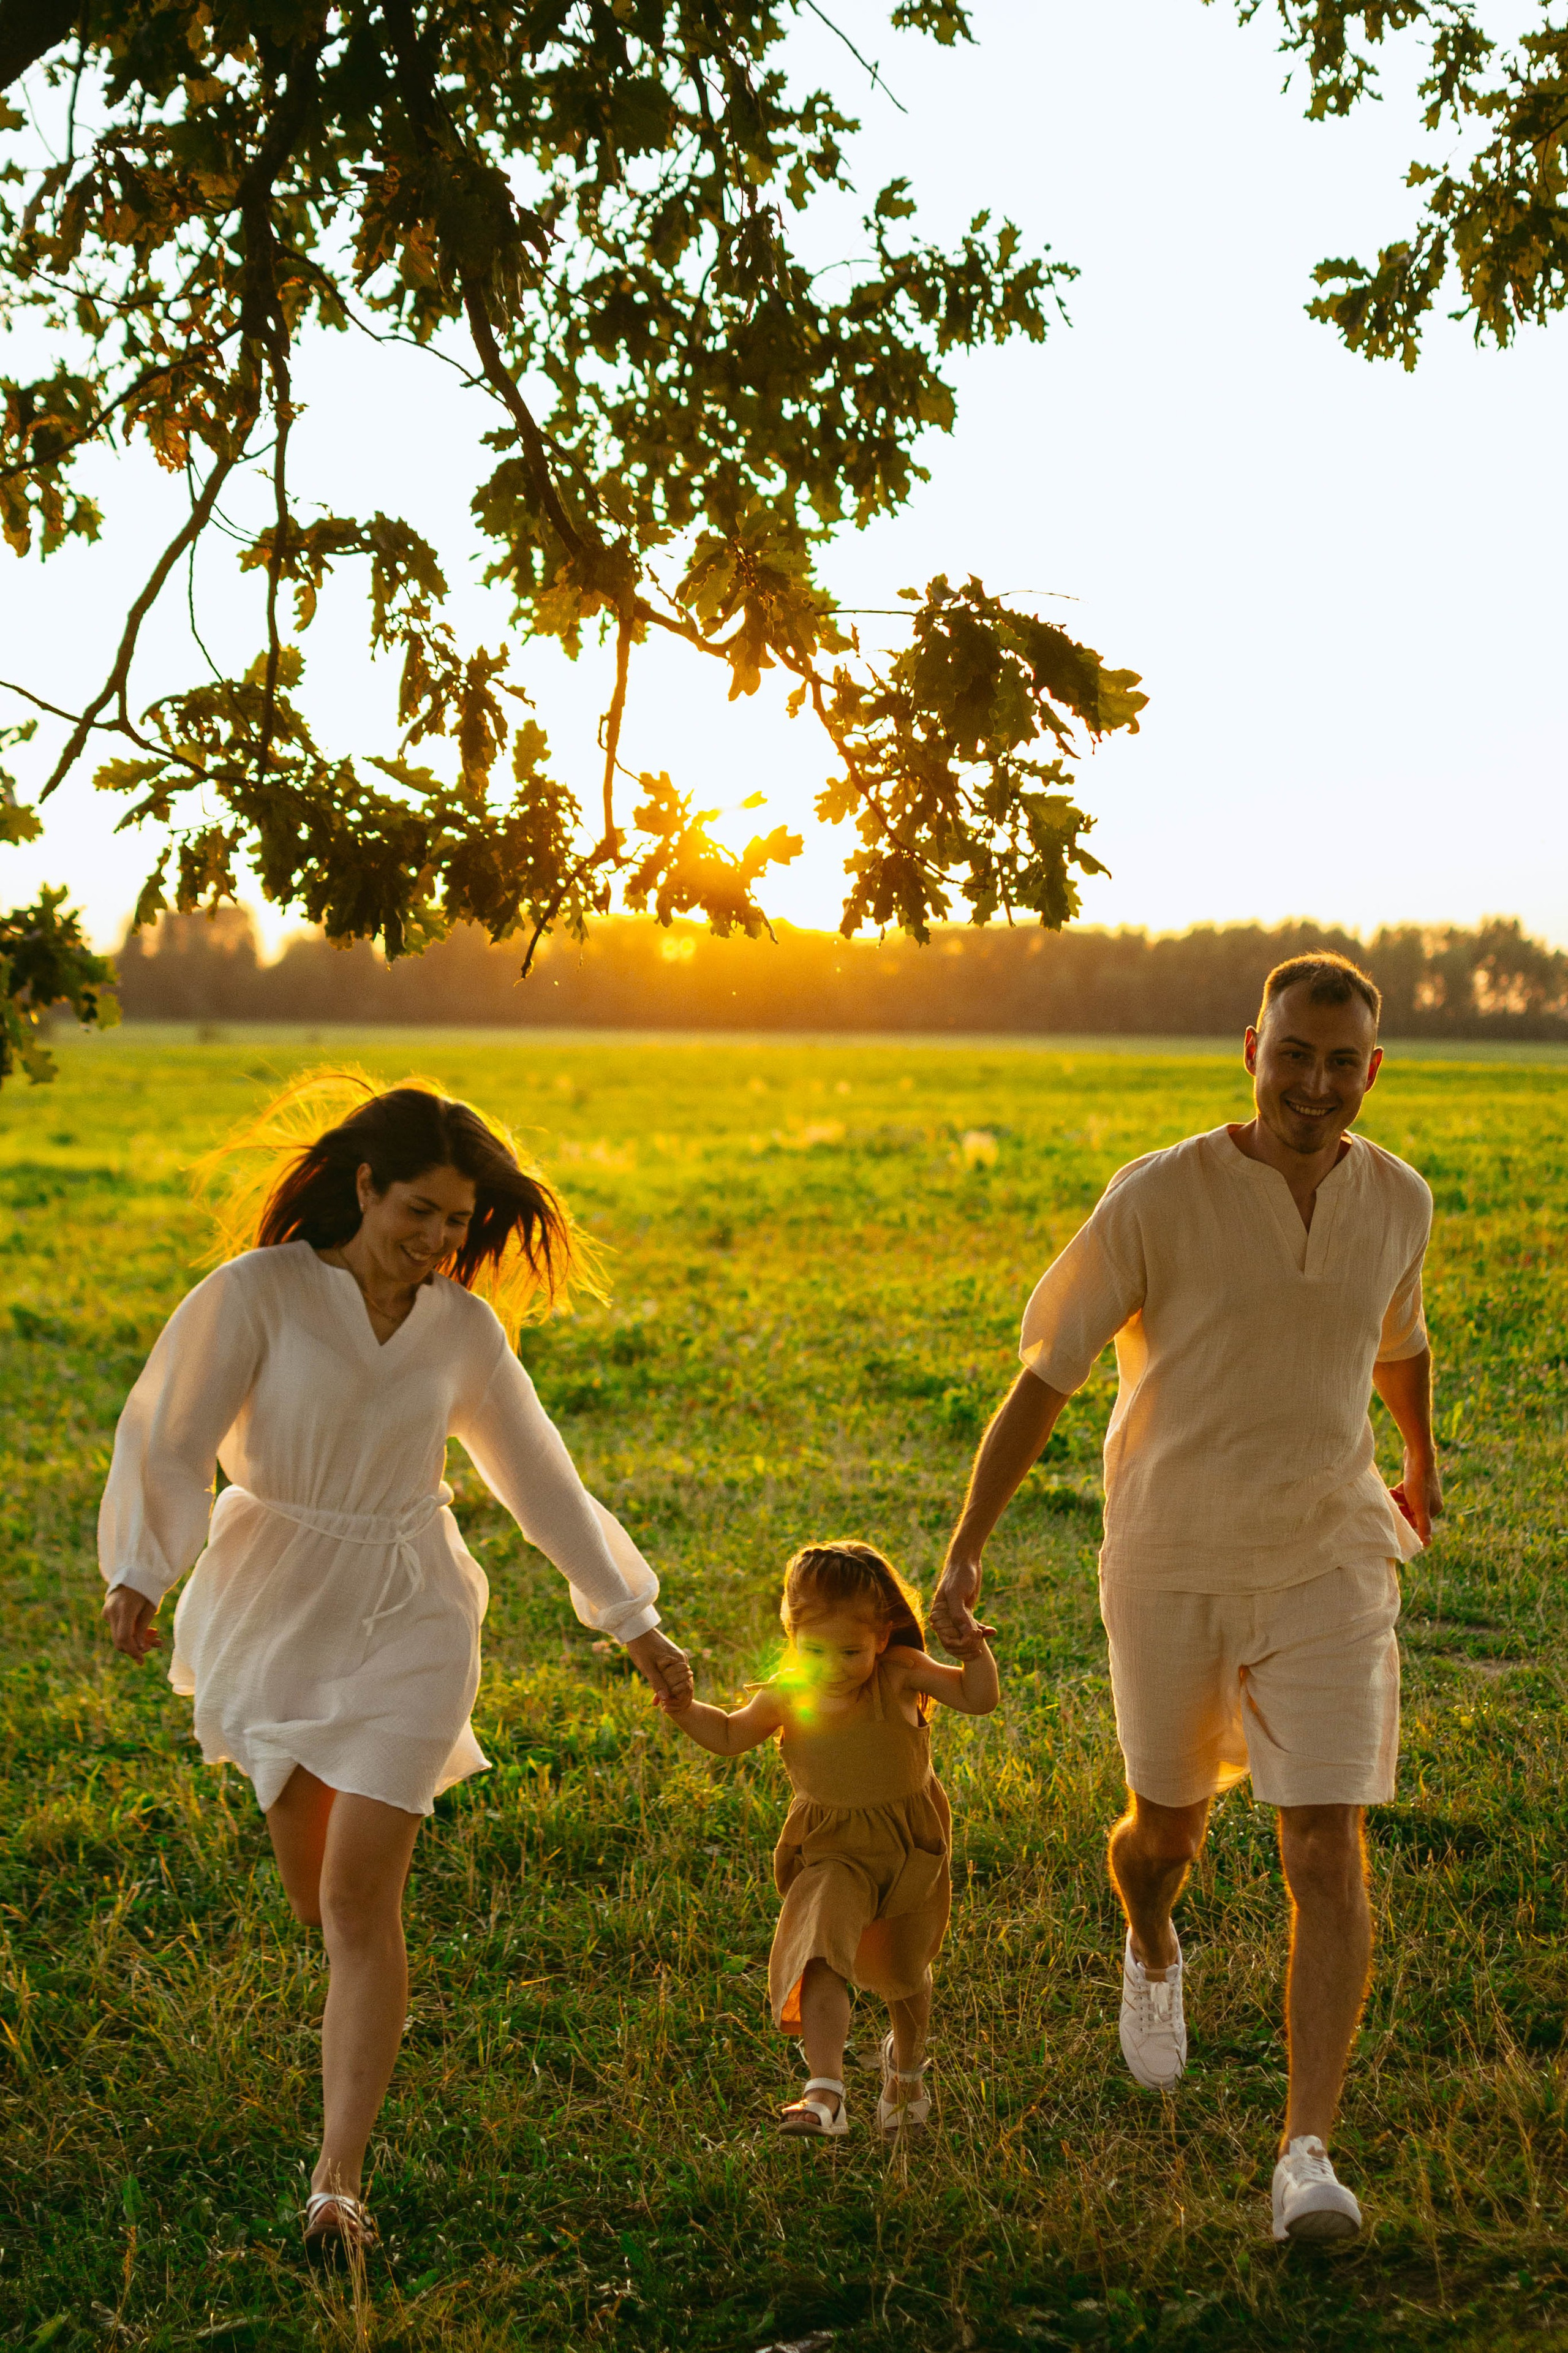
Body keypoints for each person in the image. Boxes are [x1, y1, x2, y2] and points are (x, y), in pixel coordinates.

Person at [99, 1072, 693, 2260]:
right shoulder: (257, 1295)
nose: (436, 1240)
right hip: (275, 1607)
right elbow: (167, 1434)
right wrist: (140, 1571)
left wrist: (632, 1618)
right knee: (318, 1901)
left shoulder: (463, 1332)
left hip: (414, 1608)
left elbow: (541, 1482)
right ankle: (344, 2088)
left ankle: (337, 2185)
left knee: (359, 1901)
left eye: (456, 1222)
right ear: (365, 1187)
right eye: (418, 1211)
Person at [932, 953, 1441, 2242]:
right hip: (1170, 1556)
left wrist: (1420, 1456)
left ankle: (1305, 2154)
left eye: (1340, 1063)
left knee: (1323, 1844)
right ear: (1251, 1050)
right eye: (1292, 1055)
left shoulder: (1398, 1199)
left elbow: (1397, 1337)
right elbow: (1046, 1375)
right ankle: (1152, 1942)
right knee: (1161, 1836)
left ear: (1371, 1071)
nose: (1314, 1085)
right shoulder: (1157, 1195)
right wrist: (966, 1548)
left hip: (1330, 1552)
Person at [658, 1540, 998, 2137]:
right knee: (819, 1953)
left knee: (903, 1973)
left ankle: (907, 2068)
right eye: (814, 1650)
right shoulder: (789, 1692)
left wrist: (974, 1653)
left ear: (882, 1637)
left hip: (907, 1850)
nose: (833, 1666)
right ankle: (825, 2091)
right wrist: (685, 1708)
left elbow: (979, 1698)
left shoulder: (899, 1673)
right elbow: (730, 1734)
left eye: (850, 1651)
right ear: (792, 1636)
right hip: (830, 1850)